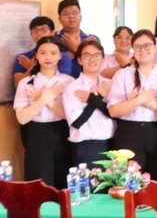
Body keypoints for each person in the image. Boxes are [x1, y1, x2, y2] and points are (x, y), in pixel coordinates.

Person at [107, 29, 157, 181]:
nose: (142, 50)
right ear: (132, 49)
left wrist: (148, 103)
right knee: (130, 182)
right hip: (129, 132)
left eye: (147, 46)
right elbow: (113, 111)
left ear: (155, 47)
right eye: (137, 47)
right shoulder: (122, 75)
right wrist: (137, 100)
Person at [14, 36, 74, 188]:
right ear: (36, 55)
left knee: (63, 181)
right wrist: (42, 100)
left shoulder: (68, 81)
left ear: (60, 56)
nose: (48, 57)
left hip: (62, 133)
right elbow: (22, 118)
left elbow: (68, 116)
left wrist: (48, 100)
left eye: (53, 53)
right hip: (36, 135)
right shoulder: (26, 82)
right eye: (43, 53)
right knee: (39, 183)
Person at [62, 39, 114, 166]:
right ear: (79, 60)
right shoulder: (73, 87)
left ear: (103, 59)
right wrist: (98, 97)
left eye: (97, 55)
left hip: (112, 145)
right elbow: (77, 122)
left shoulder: (110, 84)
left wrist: (93, 99)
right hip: (87, 147)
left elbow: (114, 113)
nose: (92, 59)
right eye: (87, 56)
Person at [13, 16, 72, 87]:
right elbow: (17, 84)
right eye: (35, 30)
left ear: (52, 33)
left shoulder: (63, 56)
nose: (39, 33)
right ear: (31, 35)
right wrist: (31, 69)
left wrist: (33, 68)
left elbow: (62, 82)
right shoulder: (23, 57)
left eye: (43, 29)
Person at [54, 0, 96, 78]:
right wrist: (81, 49)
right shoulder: (52, 39)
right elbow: (49, 63)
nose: (71, 16)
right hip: (58, 85)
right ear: (59, 19)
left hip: (85, 85)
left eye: (75, 13)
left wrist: (75, 48)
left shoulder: (92, 39)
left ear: (81, 17)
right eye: (66, 14)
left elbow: (95, 64)